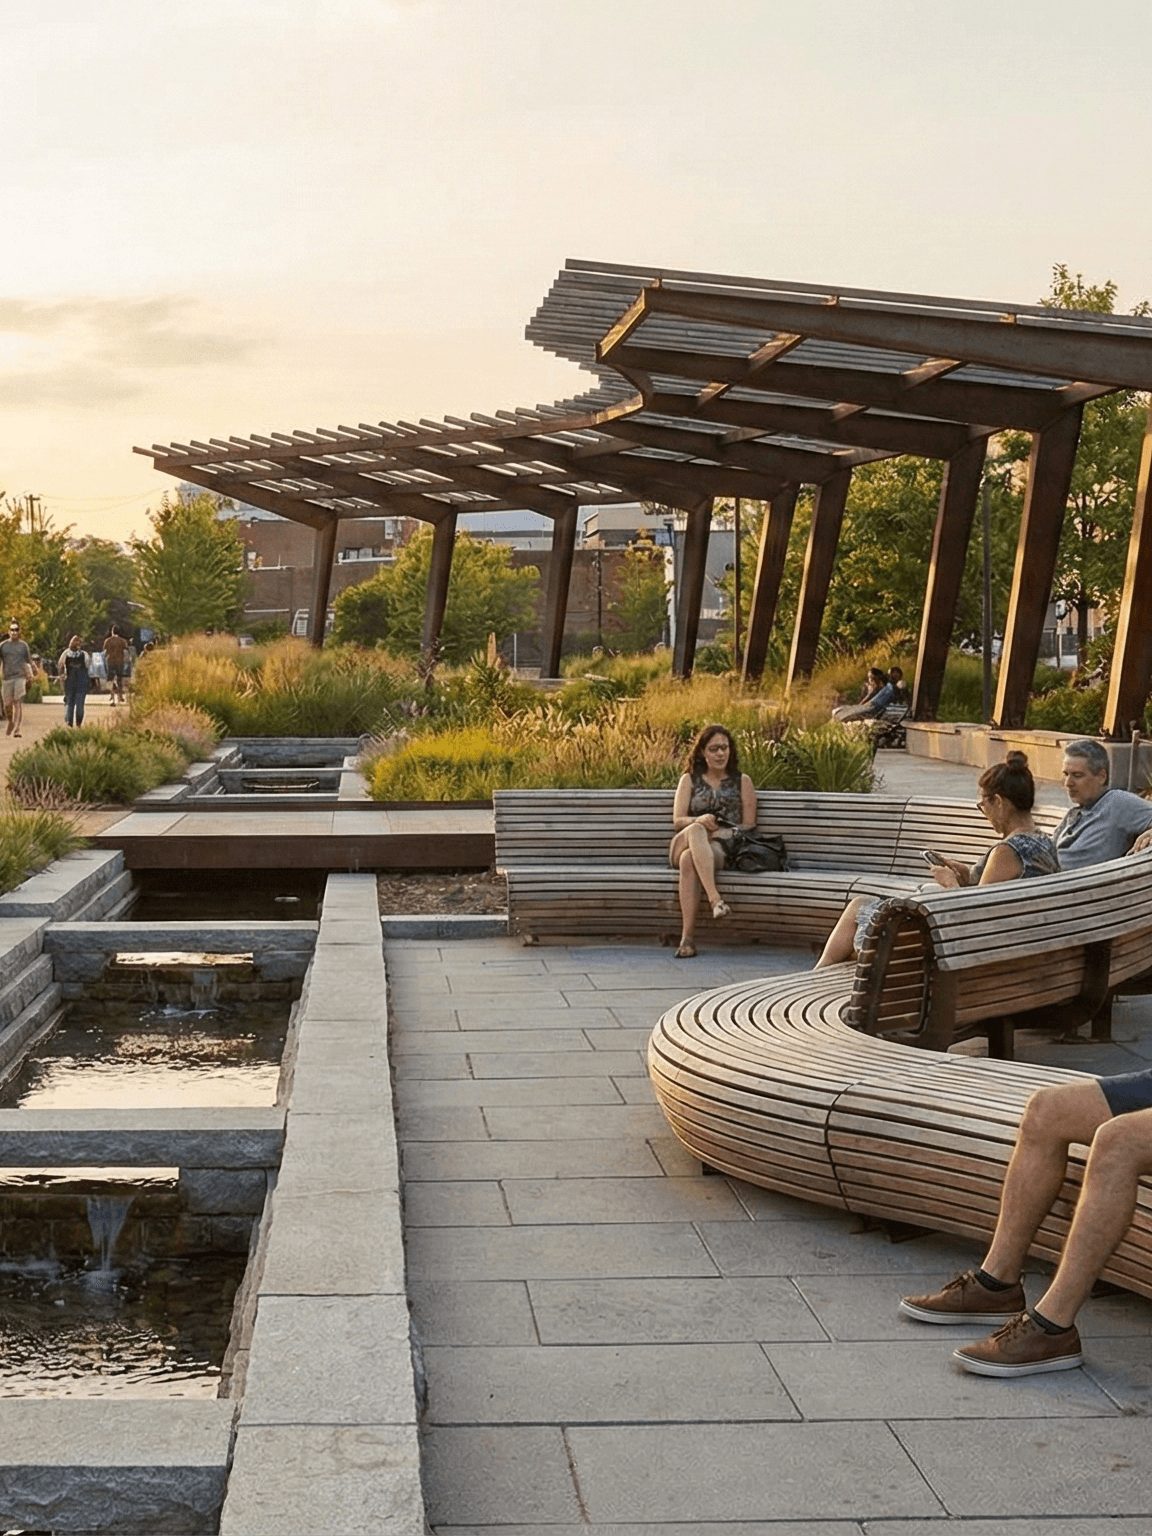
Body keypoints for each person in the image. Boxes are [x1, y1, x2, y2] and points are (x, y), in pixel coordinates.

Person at [815, 751, 1058, 968]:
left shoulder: (1007, 851)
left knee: (859, 906)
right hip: (1013, 943)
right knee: (876, 914)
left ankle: (817, 975)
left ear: (999, 802)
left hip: (969, 953)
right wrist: (964, 873)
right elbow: (990, 892)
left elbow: (974, 917)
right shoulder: (1043, 842)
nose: (985, 813)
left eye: (983, 805)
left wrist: (951, 883)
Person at [669, 724, 757, 959]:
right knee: (695, 831)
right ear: (702, 752)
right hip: (684, 840)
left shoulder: (743, 781)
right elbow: (678, 820)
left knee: (690, 860)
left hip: (720, 845)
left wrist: (723, 833)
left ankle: (687, 939)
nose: (720, 753)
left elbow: (749, 824)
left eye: (724, 748)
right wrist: (698, 820)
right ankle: (715, 899)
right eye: (714, 749)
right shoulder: (689, 780)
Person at [1051, 738, 1152, 869]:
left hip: (1083, 881)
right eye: (1066, 774)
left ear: (1101, 777)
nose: (1068, 783)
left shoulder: (1116, 802)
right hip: (1053, 878)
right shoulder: (1076, 813)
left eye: (1077, 775)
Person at [1, 619, 34, 738]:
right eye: (12, 630)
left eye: (16, 630)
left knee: (17, 701)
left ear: (19, 631)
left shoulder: (24, 646)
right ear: (9, 631)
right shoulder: (3, 646)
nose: (14, 632)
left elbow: (28, 661)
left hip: (20, 677)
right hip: (7, 678)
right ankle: (10, 722)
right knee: (7, 705)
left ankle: (17, 730)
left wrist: (30, 673)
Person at [57, 635, 91, 728]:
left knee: (70, 703)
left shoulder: (66, 653)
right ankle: (77, 723)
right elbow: (88, 666)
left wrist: (61, 675)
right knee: (78, 703)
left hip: (71, 681)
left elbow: (60, 664)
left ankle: (70, 722)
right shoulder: (84, 654)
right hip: (81, 681)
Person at [102, 625, 130, 706]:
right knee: (119, 678)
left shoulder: (108, 640)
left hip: (110, 661)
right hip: (119, 661)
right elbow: (126, 650)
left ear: (112, 632)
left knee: (110, 679)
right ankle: (120, 696)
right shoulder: (122, 641)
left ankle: (112, 695)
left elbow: (104, 650)